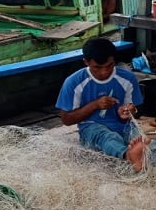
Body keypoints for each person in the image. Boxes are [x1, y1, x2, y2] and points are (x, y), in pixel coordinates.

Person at [56, 38, 146, 171]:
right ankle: (129, 156)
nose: (104, 72)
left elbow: (136, 108)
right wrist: (95, 105)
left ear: (114, 60)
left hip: (124, 126)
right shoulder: (74, 82)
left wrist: (129, 110)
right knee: (109, 138)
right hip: (91, 128)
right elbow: (66, 119)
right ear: (86, 62)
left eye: (109, 66)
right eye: (97, 67)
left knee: (149, 145)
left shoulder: (127, 78)